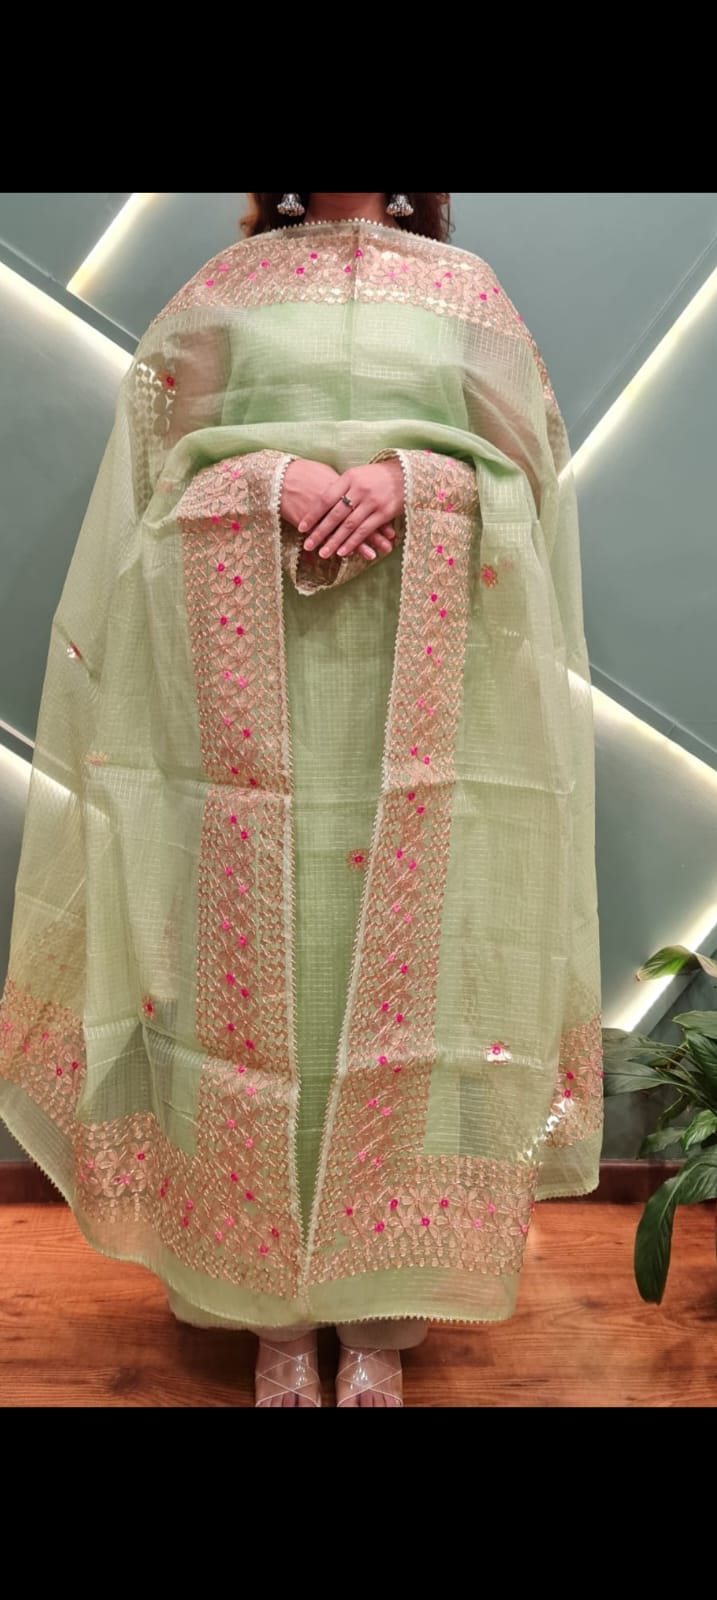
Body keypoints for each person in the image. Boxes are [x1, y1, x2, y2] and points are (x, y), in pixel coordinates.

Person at [0, 191, 602, 1408]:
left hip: (419, 700)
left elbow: (530, 481)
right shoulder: (227, 291)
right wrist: (263, 480)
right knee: (250, 989)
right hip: (247, 711)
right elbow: (158, 483)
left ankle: (377, 1315)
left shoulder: (468, 293)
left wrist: (414, 480)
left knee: (404, 983)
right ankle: (266, 1313)